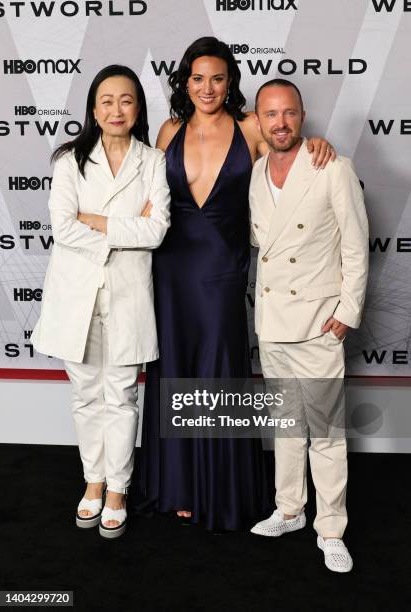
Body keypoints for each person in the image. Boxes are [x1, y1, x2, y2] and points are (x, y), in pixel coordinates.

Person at [137, 37, 336, 531]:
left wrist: (318, 145)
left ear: (230, 83)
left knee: (219, 370)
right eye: (198, 78)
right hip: (172, 270)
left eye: (218, 78)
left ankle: (219, 487)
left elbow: (293, 157)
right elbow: (151, 204)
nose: (208, 87)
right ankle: (181, 485)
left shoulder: (252, 127)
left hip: (225, 272)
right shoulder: (169, 130)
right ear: (186, 81)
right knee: (176, 368)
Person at [31, 65, 171, 539]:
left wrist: (95, 221)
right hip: (77, 295)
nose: (116, 109)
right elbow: (63, 227)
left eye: (126, 100)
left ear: (138, 108)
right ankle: (92, 481)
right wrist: (120, 228)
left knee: (122, 396)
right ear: (94, 109)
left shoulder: (152, 161)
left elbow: (157, 231)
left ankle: (117, 488)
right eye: (106, 100)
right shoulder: (69, 160)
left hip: (129, 295)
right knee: (87, 395)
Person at [249, 79, 368, 571]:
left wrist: (345, 315)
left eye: (289, 113)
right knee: (286, 428)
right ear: (258, 121)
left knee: (325, 433)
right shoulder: (256, 172)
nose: (281, 123)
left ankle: (331, 527)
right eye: (271, 114)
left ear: (302, 115)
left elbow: (356, 247)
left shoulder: (332, 167)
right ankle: (289, 509)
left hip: (319, 322)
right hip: (273, 322)